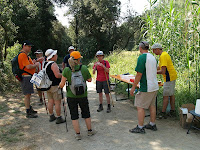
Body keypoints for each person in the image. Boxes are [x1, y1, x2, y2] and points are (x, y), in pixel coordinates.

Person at [59, 51, 96, 140]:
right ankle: (90, 131)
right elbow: (90, 80)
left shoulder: (66, 70)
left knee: (74, 115)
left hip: (71, 96)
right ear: (79, 59)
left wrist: (59, 86)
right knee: (86, 113)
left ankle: (78, 134)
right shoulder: (83, 68)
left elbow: (62, 84)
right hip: (83, 95)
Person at [129, 41, 159, 134]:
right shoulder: (153, 57)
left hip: (146, 87)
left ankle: (140, 127)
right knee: (152, 105)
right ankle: (152, 124)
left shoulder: (142, 57)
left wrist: (133, 87)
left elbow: (139, 74)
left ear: (140, 48)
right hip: (154, 86)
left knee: (140, 106)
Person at [152, 43, 177, 119]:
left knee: (165, 95)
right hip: (172, 76)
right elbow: (159, 67)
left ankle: (163, 113)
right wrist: (153, 69)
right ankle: (172, 111)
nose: (153, 52)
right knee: (171, 94)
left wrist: (152, 72)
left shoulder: (163, 56)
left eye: (154, 50)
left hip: (169, 78)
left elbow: (162, 71)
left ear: (157, 49)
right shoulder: (164, 54)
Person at [18, 40, 40, 118]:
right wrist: (36, 64)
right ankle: (28, 112)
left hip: (28, 76)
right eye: (29, 46)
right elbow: (28, 67)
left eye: (30, 46)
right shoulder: (23, 55)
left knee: (29, 94)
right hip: (26, 77)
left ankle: (29, 108)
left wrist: (34, 62)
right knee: (27, 95)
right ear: (24, 46)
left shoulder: (26, 55)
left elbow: (29, 64)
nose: (30, 48)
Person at [45, 49, 65, 124]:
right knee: (57, 102)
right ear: (52, 56)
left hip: (48, 86)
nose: (57, 56)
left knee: (50, 101)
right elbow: (57, 75)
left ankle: (51, 115)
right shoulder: (53, 64)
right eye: (55, 54)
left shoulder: (45, 64)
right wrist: (63, 75)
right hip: (55, 86)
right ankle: (59, 117)